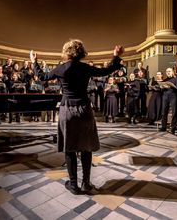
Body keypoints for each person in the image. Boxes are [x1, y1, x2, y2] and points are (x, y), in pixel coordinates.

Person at [31, 39, 123, 195]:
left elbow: (42, 76)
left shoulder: (60, 68)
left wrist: (34, 62)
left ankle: (73, 184)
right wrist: (115, 56)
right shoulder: (86, 68)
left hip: (67, 110)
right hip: (85, 109)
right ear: (81, 52)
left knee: (69, 147)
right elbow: (106, 71)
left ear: (66, 53)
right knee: (86, 147)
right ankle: (86, 183)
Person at [160, 68, 177, 134]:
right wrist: (162, 88)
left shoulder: (176, 79)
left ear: (172, 72)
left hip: (173, 96)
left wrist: (170, 87)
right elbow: (162, 91)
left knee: (174, 112)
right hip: (165, 96)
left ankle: (173, 128)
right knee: (164, 112)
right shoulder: (165, 80)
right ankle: (163, 126)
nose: (168, 72)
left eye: (169, 71)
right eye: (167, 71)